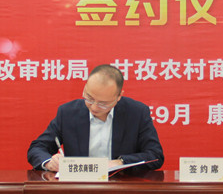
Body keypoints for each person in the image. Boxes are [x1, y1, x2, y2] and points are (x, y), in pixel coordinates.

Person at [27, 64, 164, 174]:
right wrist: (49, 163)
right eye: (89, 98)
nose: (94, 107)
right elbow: (37, 148)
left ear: (118, 97)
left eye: (103, 103)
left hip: (121, 187)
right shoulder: (67, 113)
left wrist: (121, 162)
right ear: (85, 87)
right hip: (78, 188)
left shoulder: (137, 113)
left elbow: (155, 155)